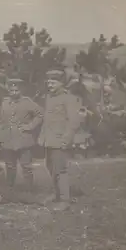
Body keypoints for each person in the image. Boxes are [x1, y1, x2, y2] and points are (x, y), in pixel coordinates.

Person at [38, 69, 83, 211]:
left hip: (60, 139)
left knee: (61, 170)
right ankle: (56, 194)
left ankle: (65, 200)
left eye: (53, 82)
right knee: (50, 167)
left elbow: (74, 121)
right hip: (49, 139)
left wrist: (67, 139)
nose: (49, 85)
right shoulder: (49, 98)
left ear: (62, 83)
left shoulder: (69, 98)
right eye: (48, 82)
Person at [0, 78, 43, 188]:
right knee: (9, 165)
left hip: (24, 139)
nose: (14, 93)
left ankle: (29, 188)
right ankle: (10, 187)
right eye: (11, 90)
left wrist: (30, 126)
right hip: (8, 139)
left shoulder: (27, 102)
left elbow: (40, 115)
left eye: (16, 90)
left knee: (26, 165)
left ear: (21, 90)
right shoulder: (4, 102)